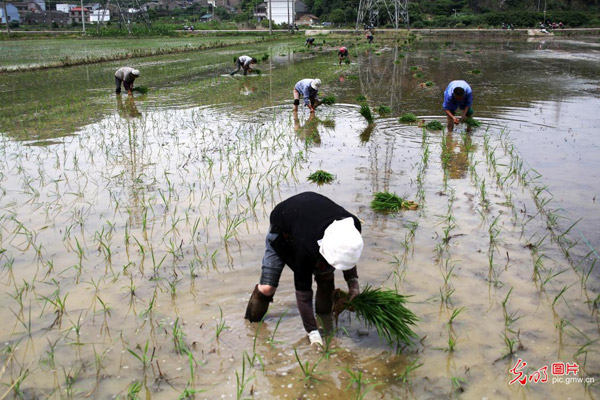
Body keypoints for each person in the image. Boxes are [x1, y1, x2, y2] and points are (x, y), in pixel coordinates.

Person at [244, 192, 363, 346]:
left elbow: (349, 253)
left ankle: (325, 322)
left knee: (326, 277)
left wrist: (353, 285)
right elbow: (303, 294)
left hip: (309, 217)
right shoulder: (306, 248)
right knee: (267, 288)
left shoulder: (352, 226)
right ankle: (250, 327)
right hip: (283, 227)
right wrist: (312, 332)